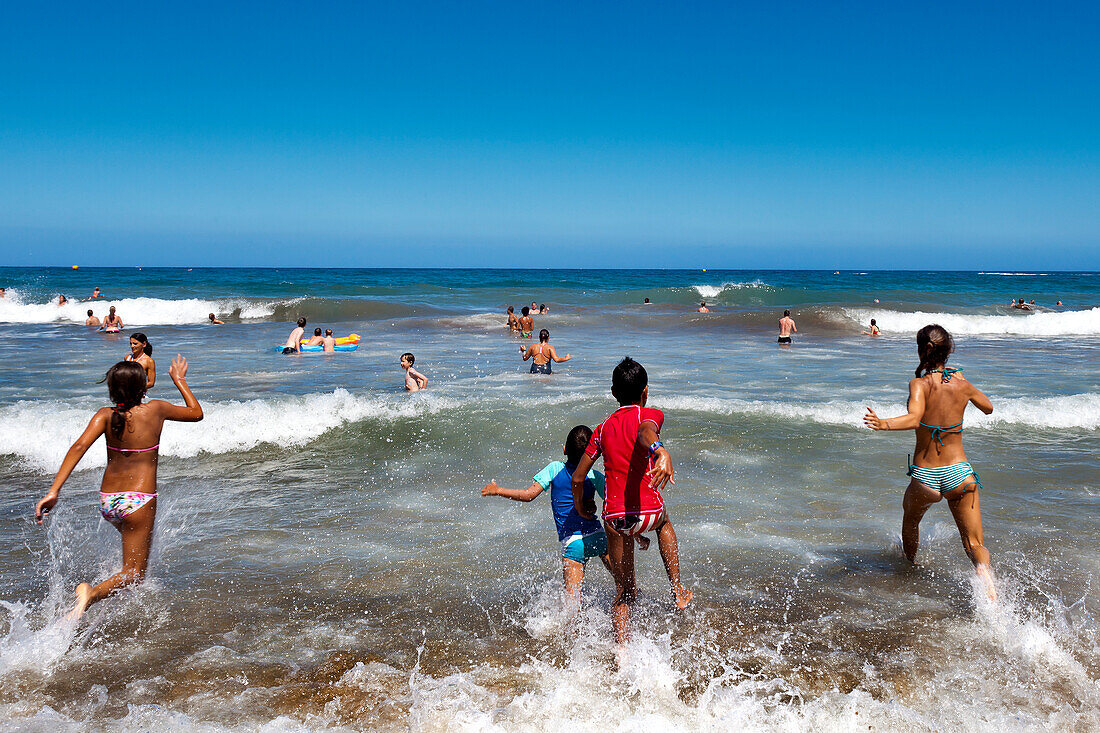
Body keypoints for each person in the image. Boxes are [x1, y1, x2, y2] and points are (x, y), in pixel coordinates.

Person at [35, 355, 203, 619]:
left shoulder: (104, 416)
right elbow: (196, 413)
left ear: (112, 389)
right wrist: (179, 380)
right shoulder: (156, 409)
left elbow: (77, 447)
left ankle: (113, 598)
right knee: (134, 573)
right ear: (143, 386)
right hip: (139, 500)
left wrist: (53, 491)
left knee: (131, 560)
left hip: (109, 502)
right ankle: (91, 594)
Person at [863, 324, 996, 600]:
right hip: (961, 474)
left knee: (911, 522)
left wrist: (882, 424)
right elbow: (988, 407)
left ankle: (909, 570)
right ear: (948, 351)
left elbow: (914, 418)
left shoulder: (919, 384)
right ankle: (988, 587)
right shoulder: (962, 384)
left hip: (926, 476)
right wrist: (963, 383)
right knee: (974, 544)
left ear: (922, 351)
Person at [571, 357, 692, 642]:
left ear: (614, 393)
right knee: (663, 524)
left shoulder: (600, 430)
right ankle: (676, 589)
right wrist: (661, 451)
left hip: (615, 519)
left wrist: (581, 505)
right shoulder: (650, 414)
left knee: (623, 592)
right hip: (648, 512)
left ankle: (622, 655)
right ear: (645, 391)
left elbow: (578, 478)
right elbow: (644, 433)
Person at [481, 426, 649, 613]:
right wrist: (637, 535)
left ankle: (572, 640)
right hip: (599, 537)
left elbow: (528, 495)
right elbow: (617, 507)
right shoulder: (594, 475)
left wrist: (498, 490)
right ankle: (639, 617)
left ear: (564, 449)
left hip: (573, 542)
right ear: (593, 454)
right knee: (624, 585)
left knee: (572, 602)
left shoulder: (555, 469)